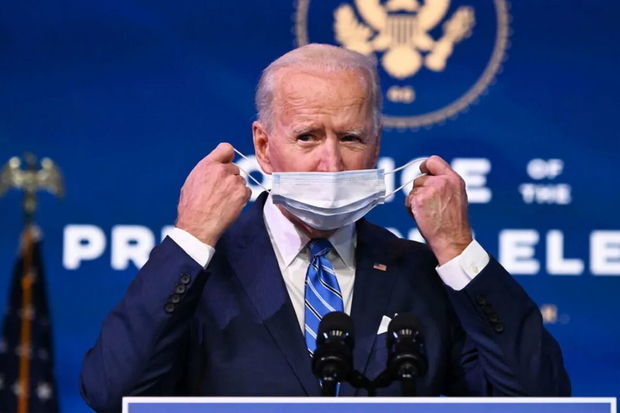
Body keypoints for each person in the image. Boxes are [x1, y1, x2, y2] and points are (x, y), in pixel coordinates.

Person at [80, 44, 570, 411]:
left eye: (351, 138)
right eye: (308, 137)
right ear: (264, 146)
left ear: (376, 146)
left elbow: (538, 399)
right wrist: (191, 237)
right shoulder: (202, 271)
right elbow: (113, 394)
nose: (331, 164)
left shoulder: (419, 273)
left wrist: (459, 249)